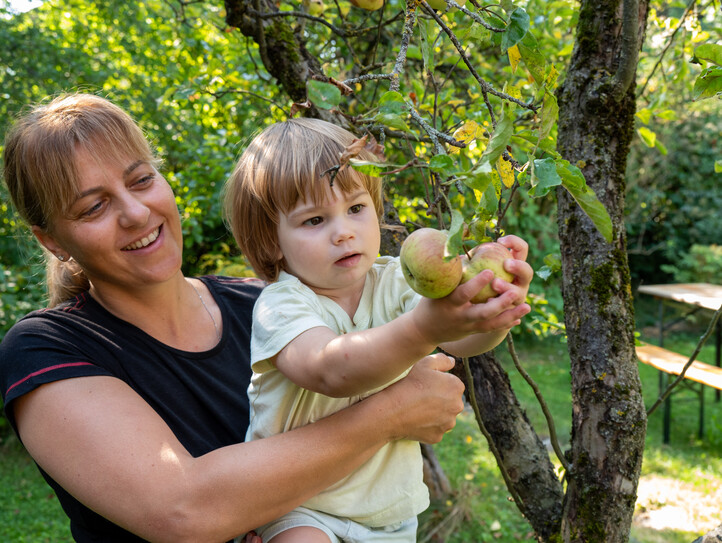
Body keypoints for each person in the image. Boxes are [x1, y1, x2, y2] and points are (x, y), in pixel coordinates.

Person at [0, 93, 468, 543]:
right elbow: (182, 513)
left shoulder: (262, 304)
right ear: (53, 241)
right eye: (94, 207)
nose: (136, 212)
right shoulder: (48, 349)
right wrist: (390, 415)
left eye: (141, 180)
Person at [223, 118, 533, 542]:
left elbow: (461, 339)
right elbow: (332, 370)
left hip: (388, 517)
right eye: (314, 220)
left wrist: (494, 308)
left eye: (355, 209)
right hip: (299, 507)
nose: (344, 231)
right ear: (272, 241)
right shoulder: (282, 304)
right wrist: (424, 327)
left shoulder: (397, 282)